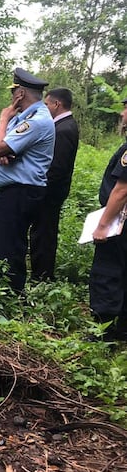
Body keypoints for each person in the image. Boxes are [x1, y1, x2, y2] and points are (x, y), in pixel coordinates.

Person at [0, 68, 55, 294]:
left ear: (21, 93)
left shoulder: (37, 121)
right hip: (15, 191)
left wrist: (3, 118)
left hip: (20, 192)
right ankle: (9, 292)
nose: (11, 96)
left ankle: (12, 297)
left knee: (11, 247)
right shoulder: (25, 118)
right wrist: (0, 149)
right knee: (6, 243)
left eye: (14, 91)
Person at [29, 88, 80, 281]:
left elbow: (57, 167)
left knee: (43, 234)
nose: (45, 108)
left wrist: (42, 189)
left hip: (50, 192)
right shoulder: (63, 126)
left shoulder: (64, 129)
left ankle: (42, 276)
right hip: (50, 191)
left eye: (47, 104)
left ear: (56, 104)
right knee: (42, 232)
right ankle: (41, 272)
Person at [89, 98, 127, 341]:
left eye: (126, 109)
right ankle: (122, 327)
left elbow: (122, 190)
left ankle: (105, 330)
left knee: (108, 272)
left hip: (121, 222)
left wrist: (103, 225)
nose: (123, 114)